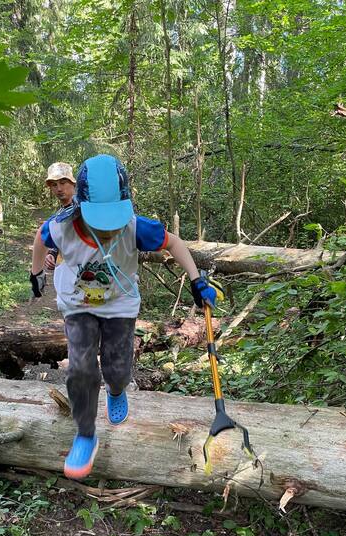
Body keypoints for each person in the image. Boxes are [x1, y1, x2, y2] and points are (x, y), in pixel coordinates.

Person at [30, 154, 222, 480]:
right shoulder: (62, 226)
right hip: (78, 304)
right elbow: (40, 237)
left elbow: (173, 243)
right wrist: (36, 274)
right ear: (82, 205)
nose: (107, 230)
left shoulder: (135, 226)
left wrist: (195, 279)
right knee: (80, 368)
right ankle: (86, 435)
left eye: (112, 220)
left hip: (120, 304)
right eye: (99, 220)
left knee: (117, 369)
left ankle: (117, 390)